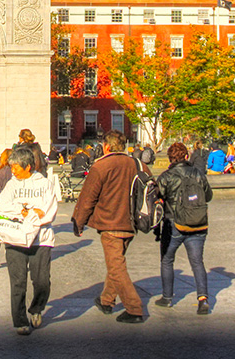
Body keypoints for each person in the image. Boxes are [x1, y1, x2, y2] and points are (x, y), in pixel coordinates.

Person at [71, 129, 145, 323]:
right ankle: (106, 300)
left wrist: (78, 222)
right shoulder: (137, 164)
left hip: (111, 222)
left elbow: (87, 198)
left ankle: (134, 308)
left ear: (105, 146)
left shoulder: (101, 166)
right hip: (131, 221)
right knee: (116, 263)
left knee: (116, 267)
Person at [0, 145, 58, 335]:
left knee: (42, 281)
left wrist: (25, 212)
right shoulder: (11, 185)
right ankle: (19, 320)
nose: (12, 170)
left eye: (15, 167)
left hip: (41, 240)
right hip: (15, 239)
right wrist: (30, 212)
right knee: (18, 282)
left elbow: (49, 212)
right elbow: (3, 209)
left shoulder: (44, 184)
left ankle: (36, 308)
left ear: (27, 166)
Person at [155, 143, 213, 315]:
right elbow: (208, 195)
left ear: (170, 159)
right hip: (197, 223)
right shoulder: (198, 173)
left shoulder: (166, 176)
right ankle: (203, 298)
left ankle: (167, 297)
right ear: (186, 156)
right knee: (197, 262)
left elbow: (159, 197)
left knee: (167, 260)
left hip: (174, 223)